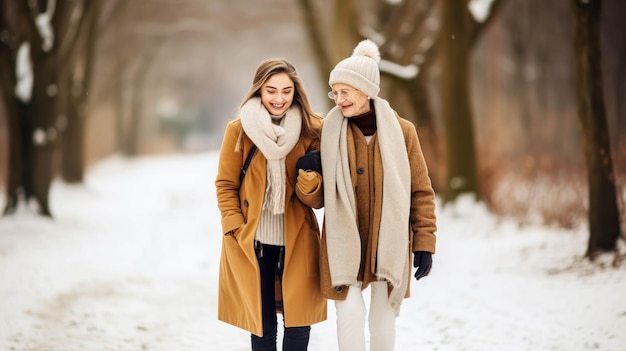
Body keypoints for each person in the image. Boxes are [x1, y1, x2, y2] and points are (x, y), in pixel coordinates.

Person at [299, 39, 437, 350]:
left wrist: (425, 242)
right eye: (335, 92)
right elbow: (316, 201)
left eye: (344, 92)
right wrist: (308, 176)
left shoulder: (403, 131)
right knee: (349, 315)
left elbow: (420, 191)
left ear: (366, 91)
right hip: (342, 244)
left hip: (388, 243)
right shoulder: (328, 132)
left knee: (382, 319)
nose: (338, 99)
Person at [215, 58, 327, 351]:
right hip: (252, 241)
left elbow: (317, 200)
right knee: (262, 329)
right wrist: (235, 226)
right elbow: (226, 185)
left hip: (298, 238)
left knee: (299, 325)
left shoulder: (313, 130)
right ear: (259, 91)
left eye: (286, 91)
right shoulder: (238, 131)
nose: (279, 98)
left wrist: (309, 175)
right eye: (271, 90)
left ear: (295, 92)